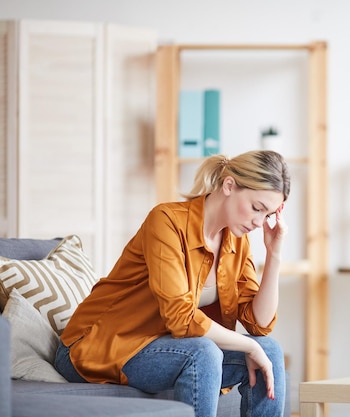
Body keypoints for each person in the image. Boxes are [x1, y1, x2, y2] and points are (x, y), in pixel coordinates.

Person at [55, 150, 290, 417]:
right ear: (229, 185)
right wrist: (249, 345)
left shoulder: (236, 239)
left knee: (269, 350)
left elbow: (259, 323)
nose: (259, 222)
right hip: (98, 345)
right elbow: (181, 319)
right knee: (203, 353)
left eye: (268, 214)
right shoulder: (166, 221)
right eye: (256, 208)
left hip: (166, 346)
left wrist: (274, 254)